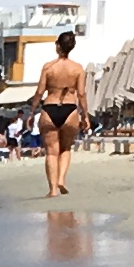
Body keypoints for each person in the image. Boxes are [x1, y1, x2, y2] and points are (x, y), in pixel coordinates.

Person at [34, 30, 89, 196]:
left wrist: (32, 111)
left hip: (49, 107)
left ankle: (52, 190)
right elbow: (81, 94)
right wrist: (85, 115)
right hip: (70, 109)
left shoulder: (48, 67)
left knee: (51, 151)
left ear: (58, 45)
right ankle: (61, 180)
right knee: (65, 148)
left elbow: (39, 92)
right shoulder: (78, 68)